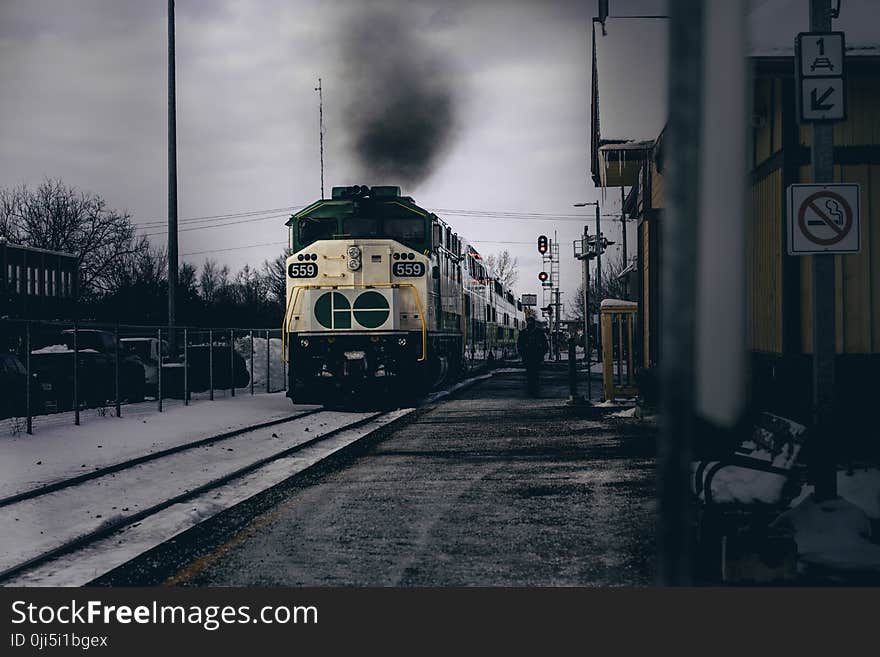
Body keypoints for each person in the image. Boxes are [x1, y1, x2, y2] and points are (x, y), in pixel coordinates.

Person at [517, 316, 548, 396]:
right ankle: (533, 388)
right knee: (532, 373)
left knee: (532, 373)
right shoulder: (538, 332)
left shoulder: (525, 332)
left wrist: (542, 353)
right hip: (531, 356)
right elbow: (519, 345)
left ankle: (532, 388)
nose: (530, 324)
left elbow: (545, 345)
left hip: (534, 356)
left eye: (531, 322)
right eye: (529, 322)